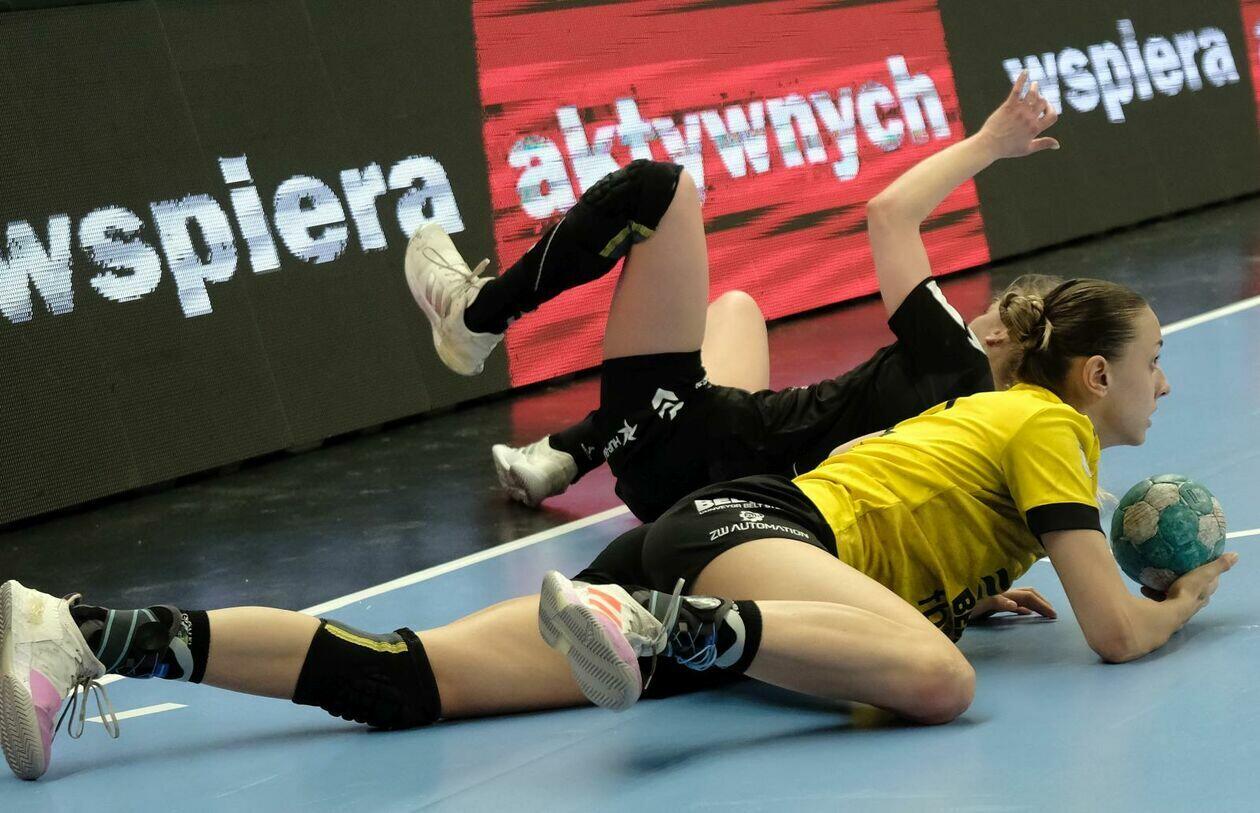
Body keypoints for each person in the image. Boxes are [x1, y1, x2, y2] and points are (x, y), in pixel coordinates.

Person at [0, 76, 1237, 783]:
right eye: (1154, 366)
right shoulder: (1043, 426)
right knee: (936, 681)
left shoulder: (990, 431)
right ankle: (661, 625)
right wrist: (1187, 596)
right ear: (1091, 376)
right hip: (749, 530)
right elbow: (1116, 633)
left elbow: (926, 533)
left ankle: (88, 633)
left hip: (715, 538)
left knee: (404, 679)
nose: (1166, 388)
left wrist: (958, 585)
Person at [405, 80, 1058, 520]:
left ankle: (476, 317)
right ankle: (571, 452)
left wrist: (990, 144)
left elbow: (890, 213)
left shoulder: (961, 359)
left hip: (684, 452)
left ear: (1000, 335)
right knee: (737, 310)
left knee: (655, 191)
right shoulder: (1003, 445)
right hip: (734, 508)